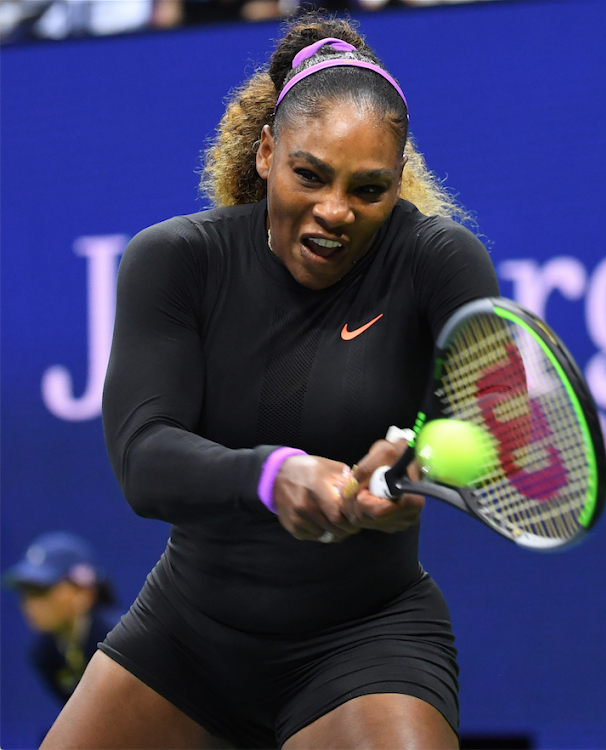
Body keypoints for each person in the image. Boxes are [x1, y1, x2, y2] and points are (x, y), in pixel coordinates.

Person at [40, 13, 500, 750]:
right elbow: (143, 459)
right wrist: (273, 474)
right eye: (309, 174)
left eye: (369, 189)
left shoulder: (439, 260)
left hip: (364, 643)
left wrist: (420, 464)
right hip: (183, 640)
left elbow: (480, 426)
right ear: (264, 153)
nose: (333, 211)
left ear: (398, 183)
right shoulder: (175, 261)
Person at [4, 531, 117, 705]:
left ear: (84, 592)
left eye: (42, 591)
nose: (30, 604)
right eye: (25, 592)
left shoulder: (121, 641)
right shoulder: (44, 654)